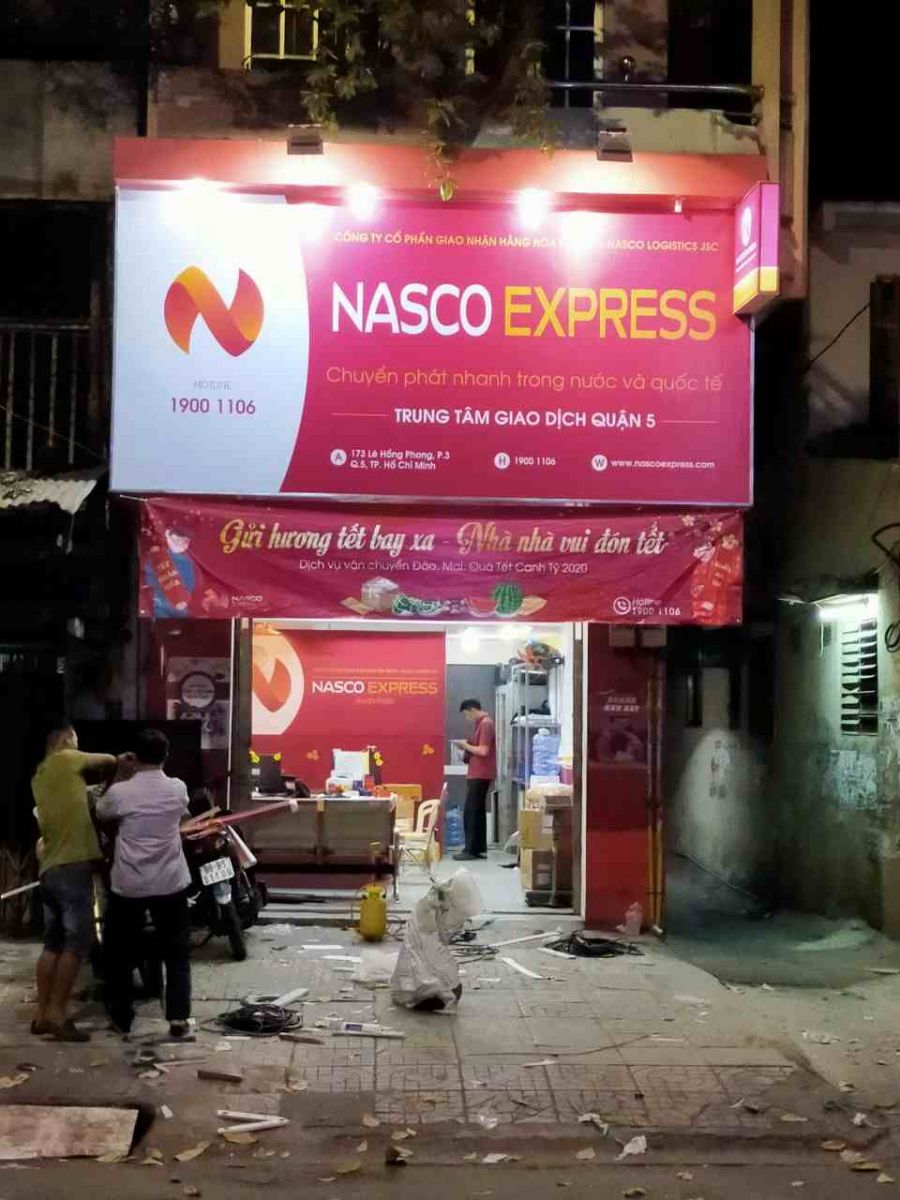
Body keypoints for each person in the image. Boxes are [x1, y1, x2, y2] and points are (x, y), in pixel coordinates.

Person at [95, 728, 192, 1038]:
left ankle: (122, 1018)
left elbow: (101, 812)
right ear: (166, 756)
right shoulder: (177, 788)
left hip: (129, 884)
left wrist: (120, 773)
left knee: (120, 954)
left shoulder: (122, 792)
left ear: (134, 757)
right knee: (176, 953)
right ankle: (178, 1017)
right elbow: (182, 812)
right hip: (170, 882)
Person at [31, 724, 124, 1042]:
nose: (77, 746)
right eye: (75, 742)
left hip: (49, 869)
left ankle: (41, 1014)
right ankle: (58, 1014)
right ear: (65, 740)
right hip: (72, 868)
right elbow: (110, 760)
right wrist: (117, 769)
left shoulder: (40, 776)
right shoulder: (67, 759)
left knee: (52, 944)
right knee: (78, 942)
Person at [452, 699, 496, 862]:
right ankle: (478, 848)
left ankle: (470, 850)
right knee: (477, 812)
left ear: (472, 710)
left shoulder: (485, 724)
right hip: (479, 773)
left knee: (471, 813)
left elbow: (483, 751)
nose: (467, 718)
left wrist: (465, 746)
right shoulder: (482, 724)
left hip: (480, 773)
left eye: (467, 715)